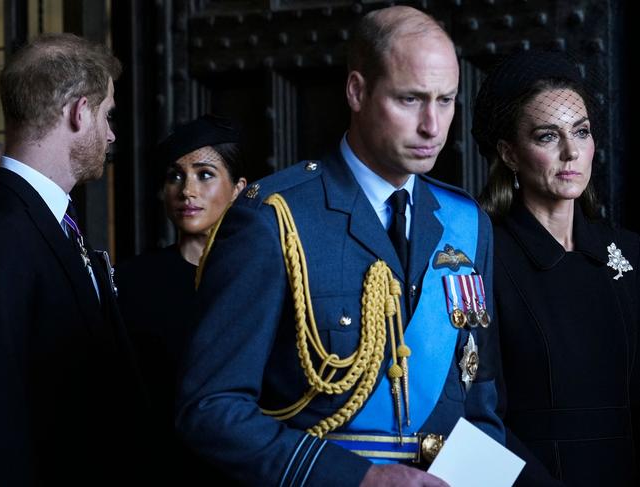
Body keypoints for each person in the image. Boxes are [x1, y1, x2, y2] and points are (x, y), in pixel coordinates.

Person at [176, 6, 504, 487]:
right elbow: (209, 409)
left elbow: (480, 405)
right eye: (410, 100)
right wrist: (360, 478)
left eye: (447, 100)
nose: (433, 126)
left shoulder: (466, 223)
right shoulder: (274, 219)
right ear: (357, 91)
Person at [0, 33, 153, 486]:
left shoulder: (55, 217)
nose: (112, 133)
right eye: (108, 115)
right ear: (80, 113)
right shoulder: (2, 230)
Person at [473, 48, 639, 486]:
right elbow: (468, 419)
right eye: (548, 136)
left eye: (581, 132)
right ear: (509, 153)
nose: (571, 152)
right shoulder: (481, 258)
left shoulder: (629, 253)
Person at [117, 114, 247, 484]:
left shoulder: (263, 279)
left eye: (204, 174)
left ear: (237, 188)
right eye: (175, 175)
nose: (186, 190)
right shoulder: (133, 280)